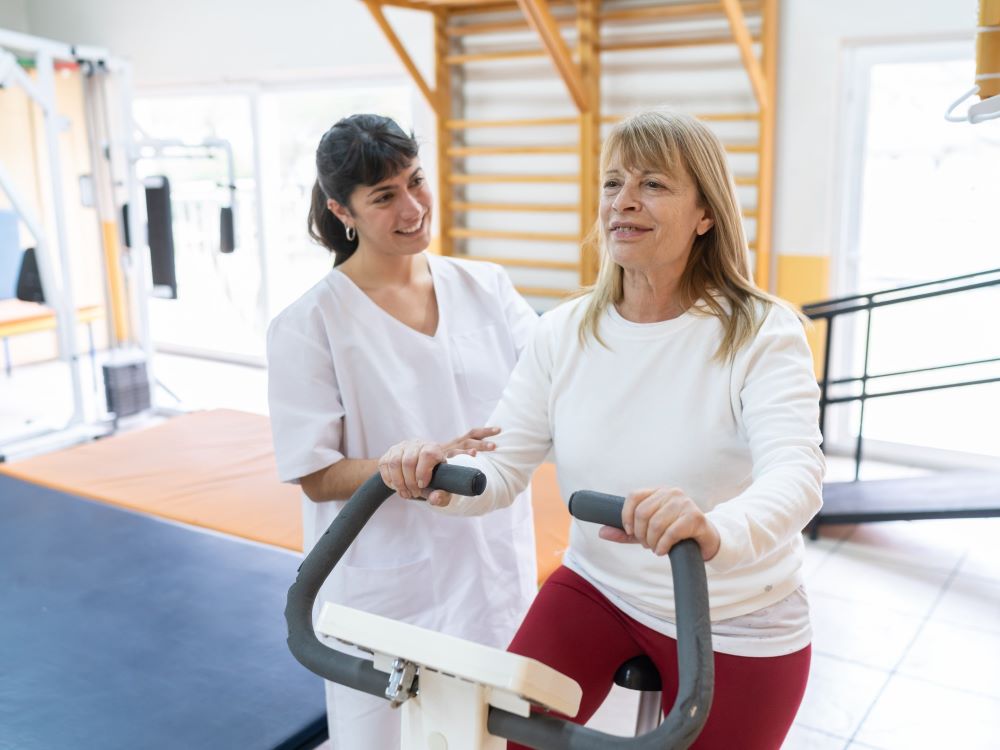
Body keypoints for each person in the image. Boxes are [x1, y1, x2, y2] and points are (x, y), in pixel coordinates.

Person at [379, 109, 825, 750]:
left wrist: (711, 527)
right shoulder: (564, 332)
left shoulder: (759, 330)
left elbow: (797, 472)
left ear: (706, 214)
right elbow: (501, 468)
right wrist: (437, 478)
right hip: (601, 586)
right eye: (613, 183)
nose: (624, 202)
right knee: (496, 739)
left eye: (654, 185)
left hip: (734, 609)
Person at [266, 114, 539, 750]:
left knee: (488, 735)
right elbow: (314, 473)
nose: (413, 207)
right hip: (385, 590)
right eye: (385, 196)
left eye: (416, 182)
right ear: (343, 210)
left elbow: (550, 386)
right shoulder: (309, 323)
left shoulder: (486, 286)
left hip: (492, 568)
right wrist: (404, 464)